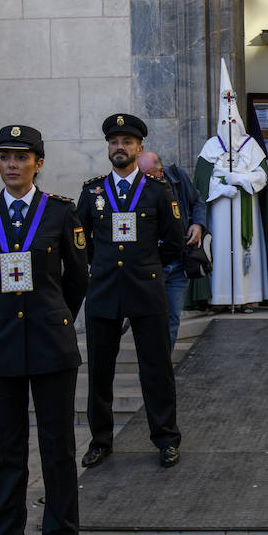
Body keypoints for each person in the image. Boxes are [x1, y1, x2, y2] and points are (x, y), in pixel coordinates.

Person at [0, 124, 88, 535]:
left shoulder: (60, 214)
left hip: (50, 345)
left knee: (57, 449)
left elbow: (76, 280)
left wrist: (50, 315)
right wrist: (6, 315)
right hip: (0, 348)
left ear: (38, 162)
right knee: (9, 452)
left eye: (21, 157)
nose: (12, 165)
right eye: (4, 157)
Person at [76, 113, 184, 469]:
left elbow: (173, 240)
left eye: (126, 142)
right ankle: (101, 440)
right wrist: (102, 265)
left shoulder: (157, 190)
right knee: (100, 371)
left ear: (140, 148)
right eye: (113, 142)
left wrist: (148, 265)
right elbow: (81, 243)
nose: (119, 147)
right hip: (104, 291)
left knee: (156, 368)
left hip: (145, 289)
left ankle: (166, 438)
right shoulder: (91, 192)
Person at [192, 60, 268, 310]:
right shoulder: (210, 147)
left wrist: (241, 179)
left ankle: (248, 297)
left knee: (248, 251)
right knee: (221, 251)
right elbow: (202, 181)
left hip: (248, 208)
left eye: (232, 122)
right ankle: (220, 298)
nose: (229, 128)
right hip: (219, 210)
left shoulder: (251, 146)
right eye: (225, 123)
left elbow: (262, 177)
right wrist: (220, 187)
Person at [134, 151, 206, 351]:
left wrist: (198, 225)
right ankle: (152, 371)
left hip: (178, 264)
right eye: (141, 174)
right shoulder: (137, 188)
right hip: (151, 264)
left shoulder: (178, 177)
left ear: (161, 171)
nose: (144, 179)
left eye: (148, 174)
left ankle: (162, 369)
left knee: (172, 318)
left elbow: (197, 201)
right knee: (150, 320)